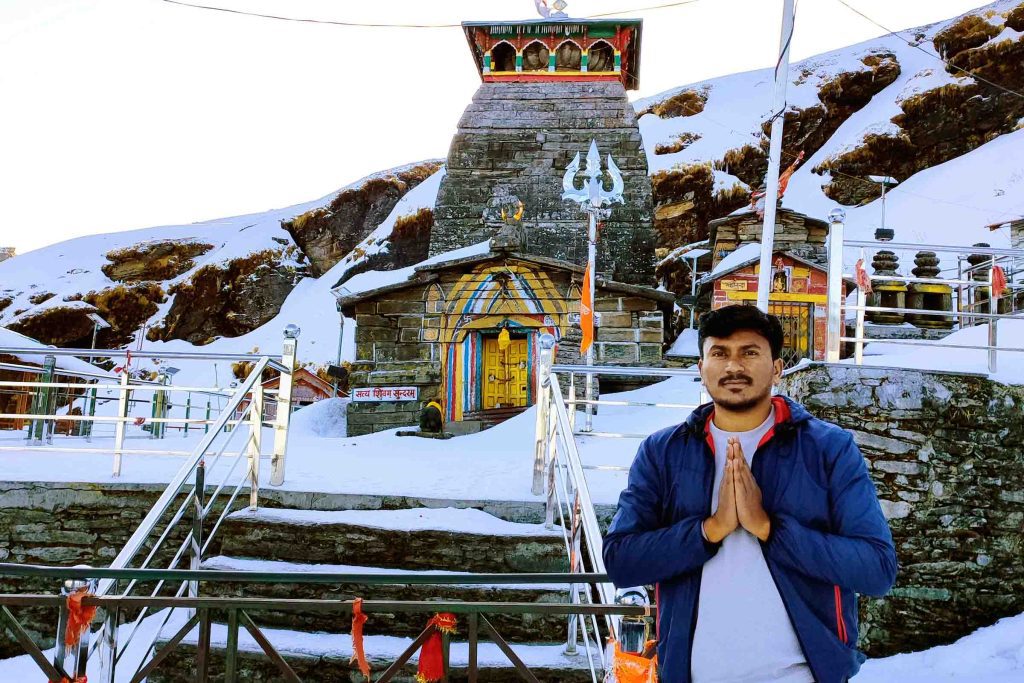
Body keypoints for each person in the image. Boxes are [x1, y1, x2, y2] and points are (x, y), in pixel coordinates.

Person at [603, 305, 897, 683]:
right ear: (701, 368)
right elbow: (621, 561)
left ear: (776, 367)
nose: (733, 367)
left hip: (801, 675)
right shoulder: (664, 453)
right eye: (719, 353)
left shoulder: (828, 449)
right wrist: (710, 529)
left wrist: (769, 528)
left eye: (749, 352)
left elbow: (876, 570)